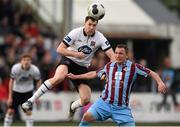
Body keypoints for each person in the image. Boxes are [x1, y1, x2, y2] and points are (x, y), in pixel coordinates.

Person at [22, 16, 115, 121]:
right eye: (89, 24)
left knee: (85, 100)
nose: (91, 27)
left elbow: (112, 56)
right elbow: (59, 49)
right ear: (85, 23)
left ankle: (72, 107)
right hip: (68, 60)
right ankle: (30, 101)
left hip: (82, 67)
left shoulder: (100, 37)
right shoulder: (75, 32)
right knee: (59, 77)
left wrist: (109, 70)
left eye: (94, 25)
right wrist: (76, 54)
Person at [67, 44, 167, 126]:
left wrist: (160, 82)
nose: (117, 55)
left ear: (126, 56)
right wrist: (76, 76)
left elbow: (152, 73)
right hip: (104, 103)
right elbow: (93, 73)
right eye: (116, 53)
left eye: (121, 53)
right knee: (86, 117)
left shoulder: (134, 67)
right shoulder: (109, 66)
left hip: (121, 108)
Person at [3, 54, 41, 127]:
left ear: (31, 61)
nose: (26, 62)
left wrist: (37, 96)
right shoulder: (15, 68)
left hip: (28, 92)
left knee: (28, 111)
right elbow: (11, 82)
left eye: (28, 60)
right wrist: (10, 97)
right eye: (24, 60)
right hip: (16, 91)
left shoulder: (35, 70)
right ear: (21, 61)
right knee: (10, 111)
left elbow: (38, 81)